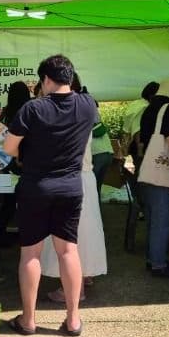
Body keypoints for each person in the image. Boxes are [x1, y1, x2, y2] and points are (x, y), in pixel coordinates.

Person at [2, 55, 97, 337]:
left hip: (36, 187)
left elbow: (8, 148)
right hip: (71, 187)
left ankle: (28, 320)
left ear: (45, 80)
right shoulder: (88, 105)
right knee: (68, 251)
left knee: (30, 253)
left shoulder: (33, 109)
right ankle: (73, 320)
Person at [41, 73, 107, 302]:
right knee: (86, 232)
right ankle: (84, 277)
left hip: (67, 177)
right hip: (85, 178)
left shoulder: (58, 112)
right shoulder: (86, 107)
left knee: (67, 236)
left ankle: (73, 289)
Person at [138, 79, 169, 278]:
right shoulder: (167, 109)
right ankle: (159, 264)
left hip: (147, 170)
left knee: (152, 218)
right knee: (162, 219)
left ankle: (153, 258)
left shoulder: (149, 109)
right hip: (159, 172)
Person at [0, 81, 32, 248]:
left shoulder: (5, 112)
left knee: (8, 202)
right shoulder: (31, 109)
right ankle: (28, 237)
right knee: (29, 202)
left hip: (7, 161)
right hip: (28, 161)